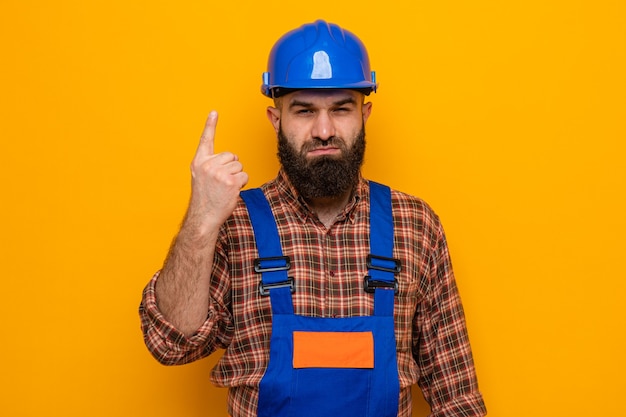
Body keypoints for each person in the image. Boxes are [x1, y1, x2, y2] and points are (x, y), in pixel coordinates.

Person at [140, 20, 487, 417]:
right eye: (304, 111)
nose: (324, 130)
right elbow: (169, 344)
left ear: (365, 114)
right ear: (276, 119)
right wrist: (201, 220)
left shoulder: (414, 225)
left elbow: (457, 398)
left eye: (341, 109)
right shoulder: (234, 224)